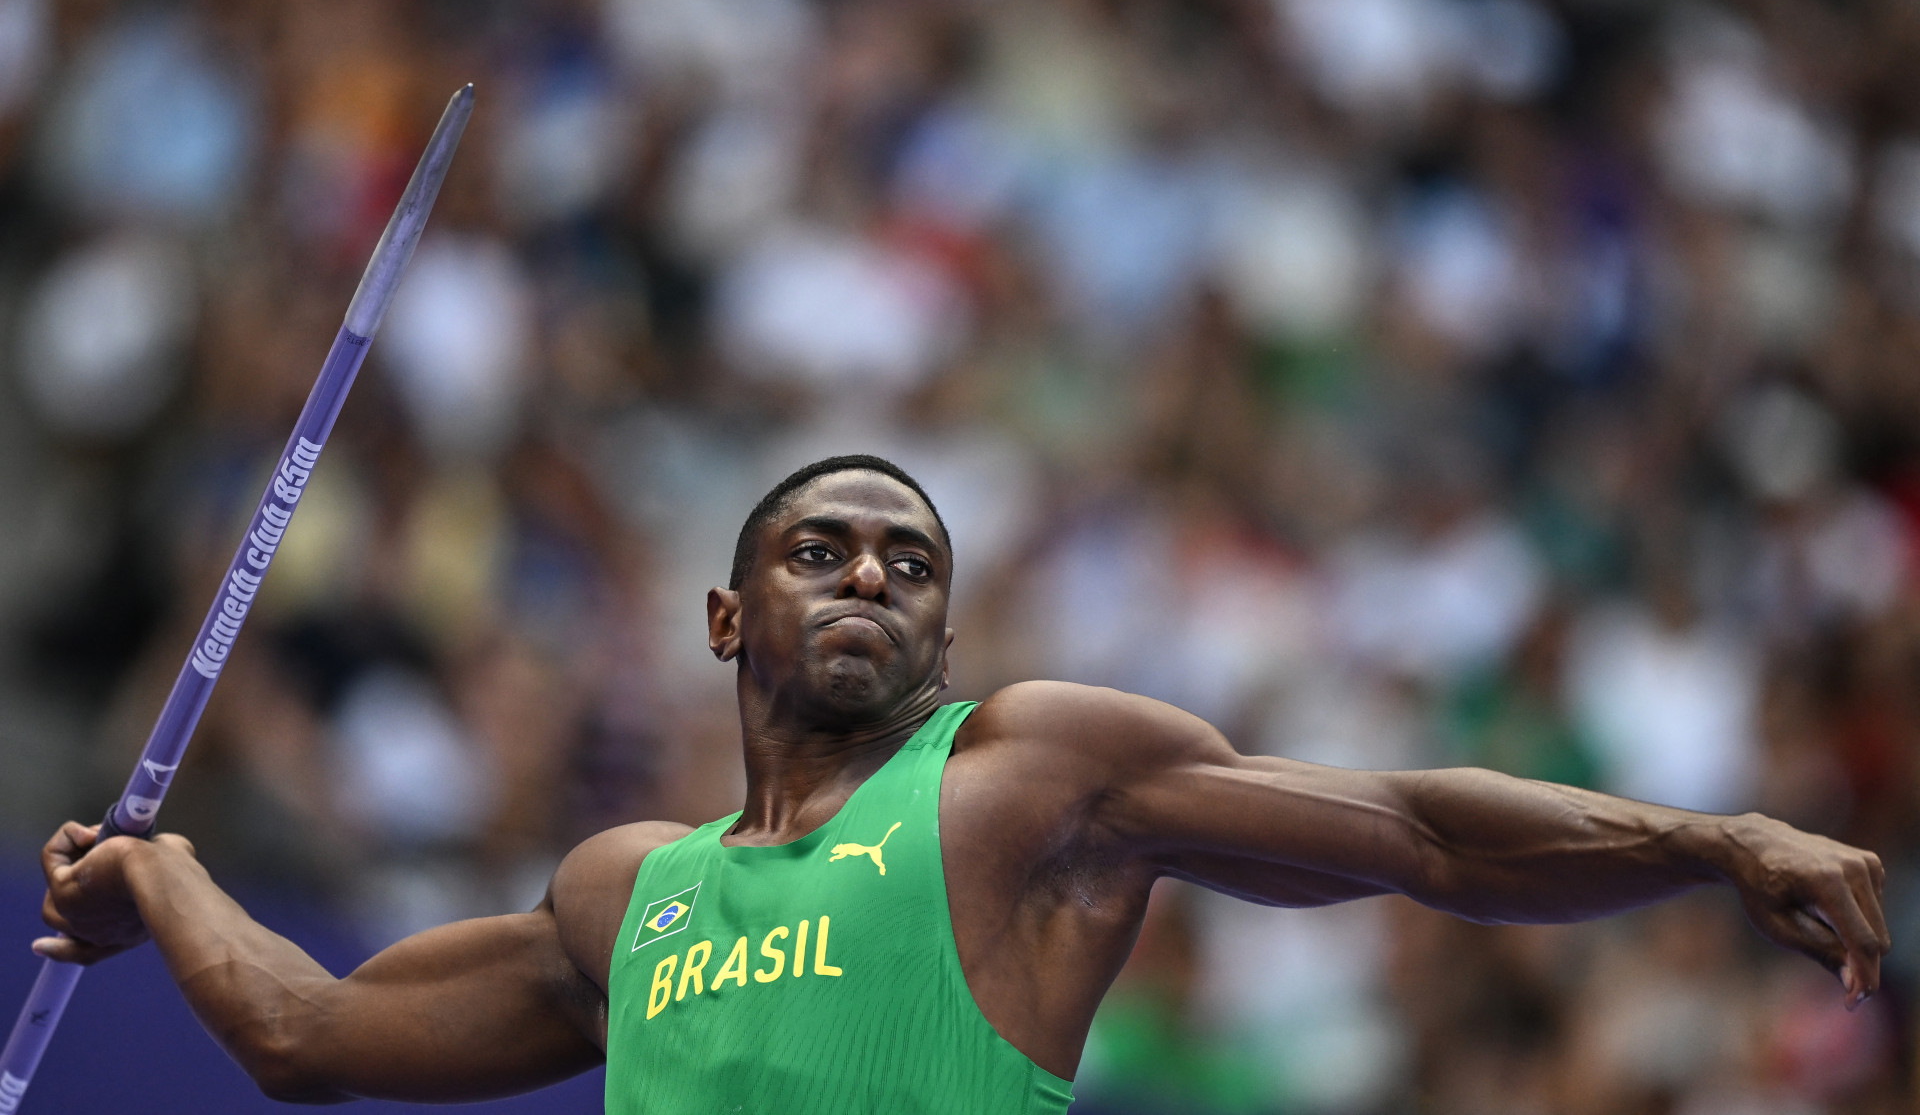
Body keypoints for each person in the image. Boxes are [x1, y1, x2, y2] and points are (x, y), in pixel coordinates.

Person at [37, 454, 1890, 1111]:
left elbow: (1410, 831)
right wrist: (161, 877)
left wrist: (1706, 836)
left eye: (909, 565)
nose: (868, 578)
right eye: (823, 549)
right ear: (722, 612)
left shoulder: (1030, 779)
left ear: (944, 634)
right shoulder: (629, 893)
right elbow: (306, 1038)